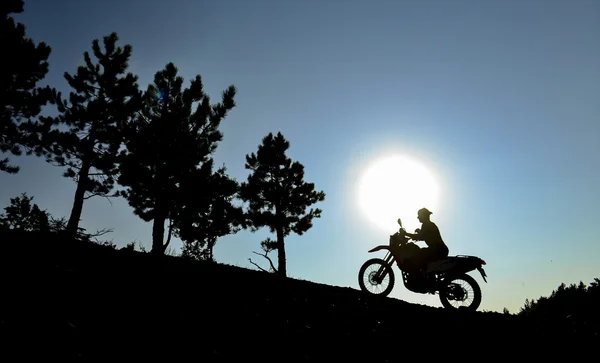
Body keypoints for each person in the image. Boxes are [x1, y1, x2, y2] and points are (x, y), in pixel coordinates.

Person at [403, 208, 449, 275]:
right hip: (439, 250)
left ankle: (421, 278)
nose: (418, 217)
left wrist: (406, 234)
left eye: (419, 215)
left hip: (438, 250)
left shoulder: (427, 224)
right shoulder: (428, 224)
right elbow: (424, 235)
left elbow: (421, 236)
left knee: (418, 256)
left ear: (423, 216)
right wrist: (418, 232)